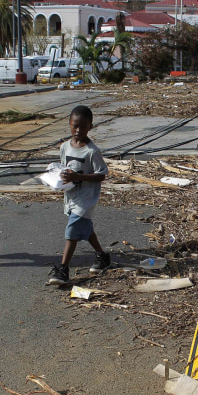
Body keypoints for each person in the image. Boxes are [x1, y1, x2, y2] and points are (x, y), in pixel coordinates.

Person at [48, 105, 111, 285]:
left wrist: (78, 177)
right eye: (75, 126)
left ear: (90, 127)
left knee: (72, 230)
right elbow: (63, 169)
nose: (78, 130)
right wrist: (59, 180)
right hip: (72, 196)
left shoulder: (92, 151)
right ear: (69, 124)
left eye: (83, 127)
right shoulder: (64, 147)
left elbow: (102, 174)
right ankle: (102, 256)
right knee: (85, 228)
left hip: (86, 198)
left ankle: (62, 269)